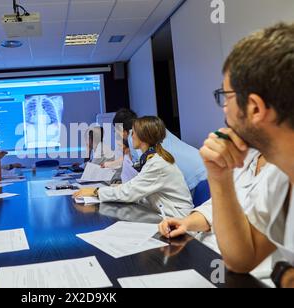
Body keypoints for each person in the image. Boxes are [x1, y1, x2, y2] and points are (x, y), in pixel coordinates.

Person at [198, 23, 294, 288]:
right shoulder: (281, 176)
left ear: (254, 108)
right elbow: (242, 260)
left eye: (226, 97)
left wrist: (283, 274)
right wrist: (219, 176)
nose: (224, 110)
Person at [158, 150, 289, 253]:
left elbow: (247, 250)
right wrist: (185, 223)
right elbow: (215, 207)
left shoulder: (285, 170)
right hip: (207, 251)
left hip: (244, 270)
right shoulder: (249, 157)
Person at [74, 116, 193, 218]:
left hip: (179, 219)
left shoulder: (157, 164)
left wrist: (95, 191)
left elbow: (129, 192)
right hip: (167, 213)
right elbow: (137, 187)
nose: (131, 136)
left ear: (143, 137)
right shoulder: (153, 158)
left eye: (133, 133)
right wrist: (121, 187)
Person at [113, 109, 207, 190]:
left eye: (116, 131)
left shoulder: (134, 137)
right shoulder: (150, 129)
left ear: (123, 131)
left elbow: (145, 177)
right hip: (202, 166)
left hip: (193, 178)